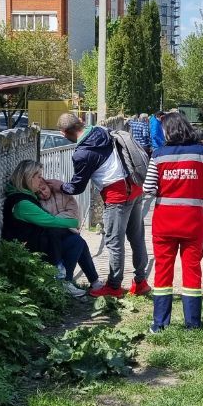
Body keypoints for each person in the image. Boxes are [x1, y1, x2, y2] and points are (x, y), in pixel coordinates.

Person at [56, 111, 150, 298]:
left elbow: (77, 187)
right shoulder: (101, 130)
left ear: (64, 133)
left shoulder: (82, 154)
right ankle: (141, 282)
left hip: (117, 196)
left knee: (114, 243)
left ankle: (114, 287)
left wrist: (59, 186)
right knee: (137, 238)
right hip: (135, 186)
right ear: (80, 121)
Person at [144, 112, 203, 331]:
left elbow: (148, 187)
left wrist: (165, 191)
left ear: (168, 130)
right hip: (193, 221)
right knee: (192, 270)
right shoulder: (201, 152)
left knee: (163, 271)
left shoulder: (158, 155)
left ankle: (160, 324)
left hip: (164, 222)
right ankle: (193, 324)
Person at [1, 160, 89, 298]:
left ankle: (73, 281)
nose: (41, 179)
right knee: (75, 241)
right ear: (29, 178)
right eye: (38, 176)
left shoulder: (25, 195)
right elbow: (50, 221)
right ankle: (62, 282)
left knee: (76, 240)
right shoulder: (22, 203)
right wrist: (74, 222)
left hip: (35, 241)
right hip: (26, 249)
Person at [35, 171, 98, 290]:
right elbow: (44, 221)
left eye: (44, 189)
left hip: (67, 230)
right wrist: (57, 221)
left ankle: (69, 279)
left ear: (48, 185)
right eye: (39, 193)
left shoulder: (62, 193)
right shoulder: (37, 202)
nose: (43, 193)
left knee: (77, 241)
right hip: (52, 235)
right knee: (79, 242)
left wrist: (54, 220)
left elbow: (73, 213)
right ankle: (87, 281)